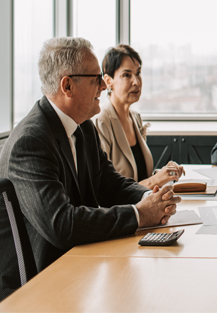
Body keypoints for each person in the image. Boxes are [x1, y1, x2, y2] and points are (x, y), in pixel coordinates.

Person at [0, 37, 181, 285]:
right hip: (39, 283)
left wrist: (150, 199)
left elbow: (109, 184)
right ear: (67, 86)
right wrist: (139, 215)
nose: (103, 87)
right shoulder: (30, 142)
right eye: (95, 78)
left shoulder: (83, 127)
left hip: (78, 265)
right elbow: (63, 225)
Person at [94, 45, 183, 188]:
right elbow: (105, 191)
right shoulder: (100, 122)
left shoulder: (135, 118)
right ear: (108, 81)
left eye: (138, 73)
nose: (136, 82)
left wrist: (165, 174)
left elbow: (140, 178)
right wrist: (155, 180)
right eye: (126, 75)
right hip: (123, 210)